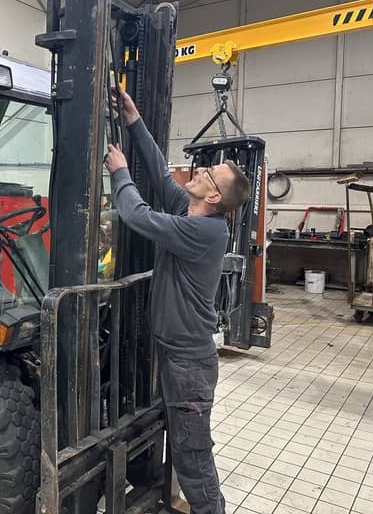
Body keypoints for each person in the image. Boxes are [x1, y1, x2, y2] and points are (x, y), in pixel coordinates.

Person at [104, 89, 250, 514]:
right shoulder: (195, 214)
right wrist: (134, 120)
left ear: (214, 198)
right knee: (185, 444)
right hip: (177, 356)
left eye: (210, 174)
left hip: (189, 365)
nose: (201, 170)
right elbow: (162, 177)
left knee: (192, 456)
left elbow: (137, 215)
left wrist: (119, 172)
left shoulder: (203, 232)